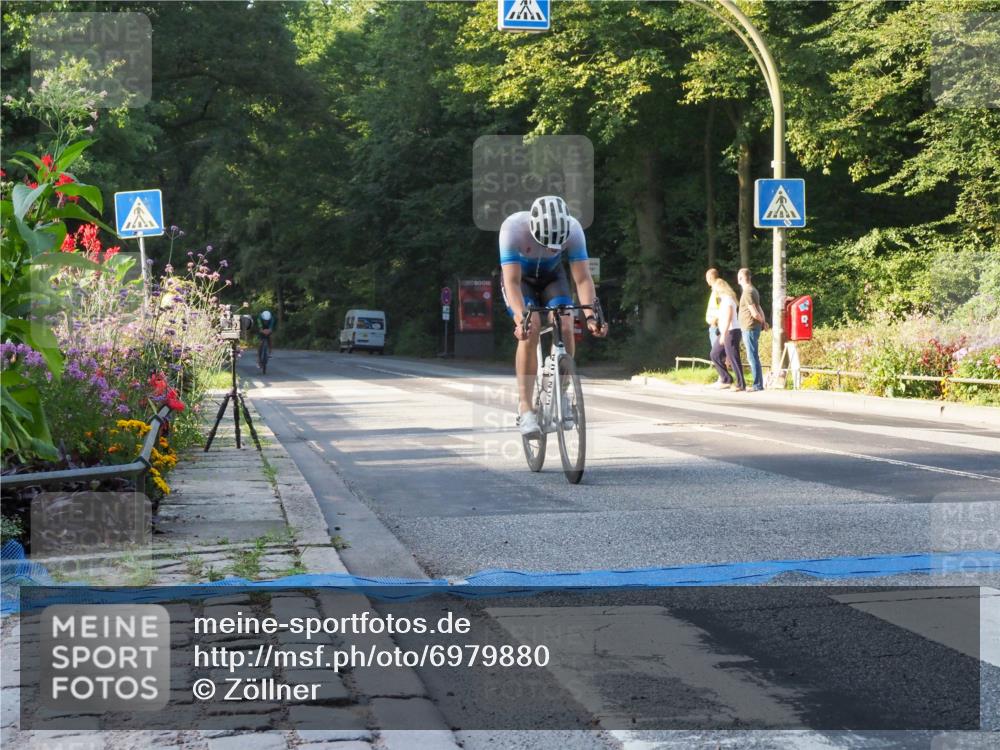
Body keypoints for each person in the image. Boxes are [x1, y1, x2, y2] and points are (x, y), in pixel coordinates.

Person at [500, 195, 608, 437]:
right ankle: (526, 408)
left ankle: (561, 393)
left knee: (567, 323)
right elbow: (512, 282)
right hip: (521, 281)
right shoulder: (512, 228)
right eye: (545, 243)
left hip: (552, 277)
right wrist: (521, 320)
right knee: (532, 327)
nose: (550, 249)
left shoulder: (574, 229)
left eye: (555, 246)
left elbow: (581, 279)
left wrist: (591, 316)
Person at [709, 278, 746, 391]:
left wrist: (724, 334)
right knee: (715, 354)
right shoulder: (723, 300)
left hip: (731, 331)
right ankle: (726, 379)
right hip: (726, 331)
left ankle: (741, 384)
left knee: (734, 358)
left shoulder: (728, 300)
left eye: (715, 290)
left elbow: (728, 318)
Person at [737, 268, 768, 391]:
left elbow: (754, 312)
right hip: (753, 327)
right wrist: (763, 322)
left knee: (752, 356)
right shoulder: (754, 290)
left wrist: (761, 321)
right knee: (754, 355)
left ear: (740, 278)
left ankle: (757, 385)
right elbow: (759, 308)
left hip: (749, 327)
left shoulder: (747, 292)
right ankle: (758, 384)